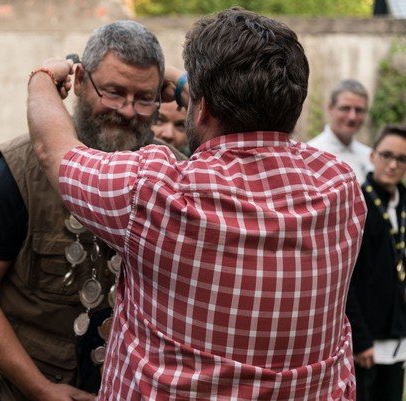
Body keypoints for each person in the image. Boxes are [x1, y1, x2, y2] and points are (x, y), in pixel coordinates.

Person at [27, 8, 367, 400]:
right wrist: (191, 83)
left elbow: (53, 149)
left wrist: (43, 77)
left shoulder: (157, 192)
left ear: (201, 107)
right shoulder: (339, 189)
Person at [0, 20, 185, 401]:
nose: (128, 111)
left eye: (145, 98)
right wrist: (39, 388)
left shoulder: (175, 175)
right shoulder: (20, 168)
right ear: (79, 82)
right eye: (114, 92)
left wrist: (183, 81)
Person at [346, 125, 406, 401]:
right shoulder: (358, 204)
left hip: (398, 339)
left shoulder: (403, 203)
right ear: (372, 156)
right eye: (387, 155)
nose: (393, 165)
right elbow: (346, 280)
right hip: (367, 343)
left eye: (402, 159)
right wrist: (360, 339)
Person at [308, 79, 373, 183]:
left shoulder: (369, 156)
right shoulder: (311, 154)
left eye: (359, 110)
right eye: (345, 108)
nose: (352, 117)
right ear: (330, 108)